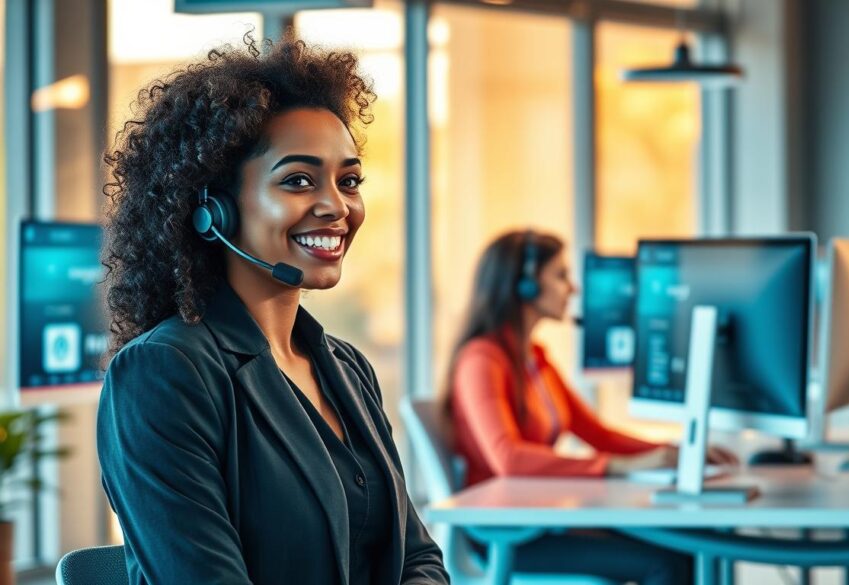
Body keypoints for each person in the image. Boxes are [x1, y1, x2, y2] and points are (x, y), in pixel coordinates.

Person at [97, 33, 448, 585]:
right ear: (212, 209)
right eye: (298, 180)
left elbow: (419, 558)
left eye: (349, 180)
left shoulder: (347, 369)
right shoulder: (164, 373)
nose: (337, 206)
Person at [447, 229, 738, 584]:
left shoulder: (534, 360)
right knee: (664, 563)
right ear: (524, 284)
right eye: (560, 275)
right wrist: (617, 467)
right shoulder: (482, 360)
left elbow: (596, 433)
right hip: (505, 532)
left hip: (540, 517)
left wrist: (673, 452)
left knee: (687, 548)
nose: (573, 288)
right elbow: (508, 459)